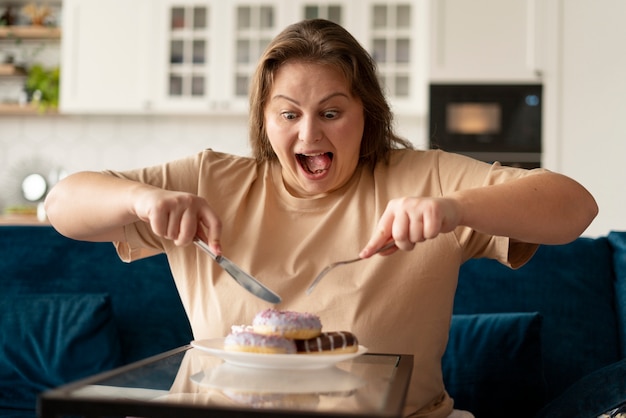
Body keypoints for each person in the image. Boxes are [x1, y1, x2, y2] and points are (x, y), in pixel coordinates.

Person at [44, 19, 598, 418]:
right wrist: (142, 199)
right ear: (265, 121)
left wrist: (453, 208)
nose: (309, 135)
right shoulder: (209, 180)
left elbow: (575, 208)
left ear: (367, 116)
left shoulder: (424, 179)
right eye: (289, 114)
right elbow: (62, 205)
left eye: (332, 112)